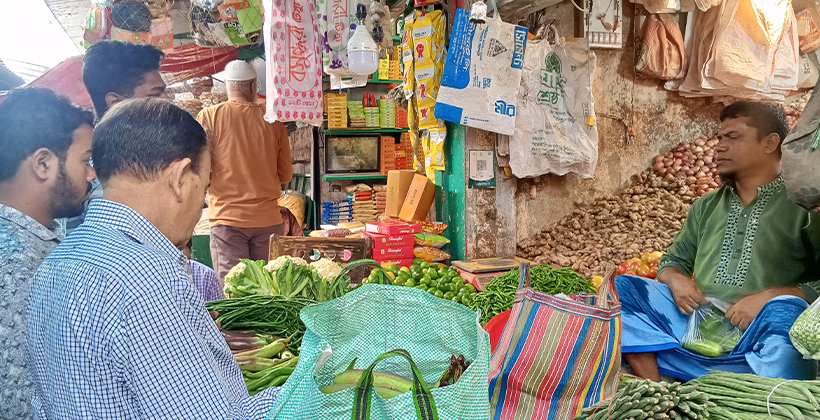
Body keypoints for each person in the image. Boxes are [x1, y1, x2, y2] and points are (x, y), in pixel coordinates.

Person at [26, 98, 279, 419]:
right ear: (180, 177)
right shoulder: (149, 277)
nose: (200, 206)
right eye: (203, 189)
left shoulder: (55, 263)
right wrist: (311, 384)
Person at [617, 101, 820, 382]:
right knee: (623, 288)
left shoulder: (804, 208)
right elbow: (672, 261)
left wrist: (770, 298)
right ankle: (655, 385)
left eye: (733, 137)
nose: (720, 147)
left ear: (770, 143)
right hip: (695, 320)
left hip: (758, 332)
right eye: (720, 137)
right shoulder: (706, 206)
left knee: (786, 314)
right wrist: (676, 280)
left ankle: (725, 377)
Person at [0, 87, 96, 419]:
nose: (92, 174)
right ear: (43, 163)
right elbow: (21, 402)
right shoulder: (15, 264)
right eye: (85, 160)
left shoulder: (34, 243)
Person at [197, 60, 293, 282]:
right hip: (268, 220)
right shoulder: (274, 122)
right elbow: (286, 175)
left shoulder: (208, 117)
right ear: (253, 86)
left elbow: (201, 171)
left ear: (227, 86)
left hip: (227, 221)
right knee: (270, 288)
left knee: (235, 289)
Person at [60, 40, 166, 237]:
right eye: (155, 96)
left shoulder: (151, 155)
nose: (167, 104)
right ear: (116, 103)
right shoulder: (88, 175)